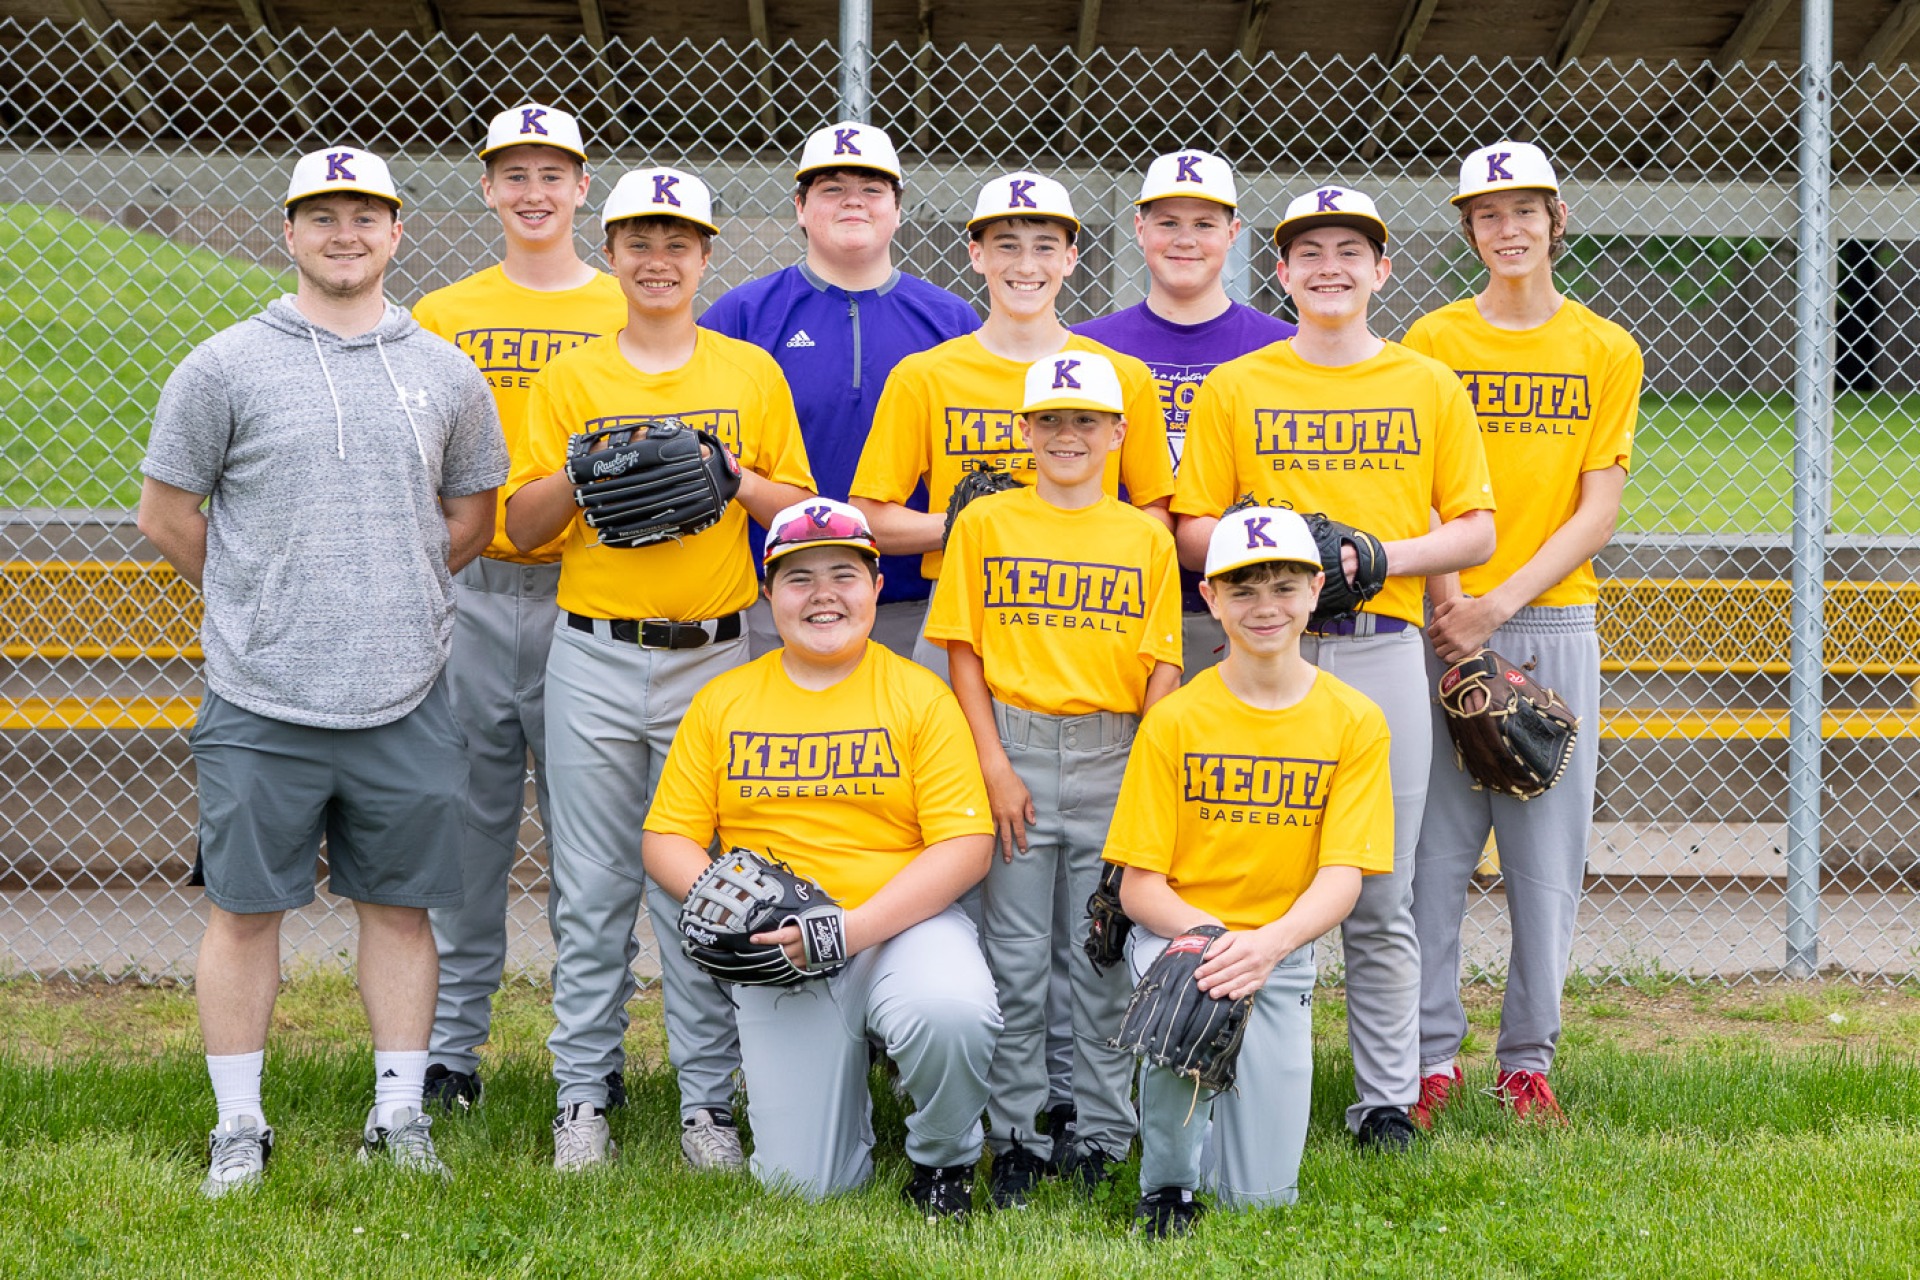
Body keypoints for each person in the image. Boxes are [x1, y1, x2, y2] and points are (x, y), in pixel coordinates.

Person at [137, 147, 507, 1196]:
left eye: (365, 216)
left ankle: (398, 1111)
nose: (345, 234)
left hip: (407, 690)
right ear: (287, 233)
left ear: (398, 233)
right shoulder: (222, 365)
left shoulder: (444, 370)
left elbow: (470, 517)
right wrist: (260, 592)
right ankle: (239, 1124)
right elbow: (167, 515)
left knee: (400, 908)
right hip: (263, 696)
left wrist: (387, 590)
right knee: (246, 909)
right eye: (322, 216)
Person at [503, 166, 815, 1171]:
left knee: (703, 889)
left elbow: (801, 514)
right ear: (612, 251)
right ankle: (583, 1096)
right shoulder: (574, 378)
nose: (658, 255)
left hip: (717, 658)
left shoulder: (748, 372)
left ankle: (705, 1102)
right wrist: (580, 473)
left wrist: (733, 476)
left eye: (677, 239)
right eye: (639, 238)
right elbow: (521, 522)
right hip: (594, 648)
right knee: (591, 892)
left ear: (705, 254)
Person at [1172, 186, 1496, 1151]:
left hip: (1380, 650)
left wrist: (1374, 560)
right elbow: (1190, 526)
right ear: (1278, 271)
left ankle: (1386, 1099)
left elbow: (1476, 529)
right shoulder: (1241, 383)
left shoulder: (1428, 383)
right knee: (1235, 874)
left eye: (1350, 251)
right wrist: (1272, 553)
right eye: (1308, 251)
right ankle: (1218, 1063)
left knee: (1379, 883)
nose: (1329, 266)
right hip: (1259, 649)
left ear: (1382, 270)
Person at [641, 499, 1000, 1219]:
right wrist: (731, 907)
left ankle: (943, 1155)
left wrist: (850, 929)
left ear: (874, 587)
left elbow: (967, 845)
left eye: (845, 573)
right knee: (805, 1188)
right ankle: (844, 1109)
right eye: (799, 579)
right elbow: (667, 837)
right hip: (784, 949)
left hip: (901, 927)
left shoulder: (919, 697)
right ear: (768, 595)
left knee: (952, 1011)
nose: (824, 594)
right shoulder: (724, 700)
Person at [1405, 141, 1641, 1127]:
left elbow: (1597, 511)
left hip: (1551, 615)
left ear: (1555, 220)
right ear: (1469, 229)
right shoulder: (1432, 338)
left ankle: (1527, 1061)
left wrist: (1498, 607)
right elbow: (1425, 482)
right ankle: (1426, 1058)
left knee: (1545, 856)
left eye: (1525, 211)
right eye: (1488, 213)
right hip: (1440, 614)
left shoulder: (1603, 346)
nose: (1508, 228)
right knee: (1433, 855)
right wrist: (1455, 606)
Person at [409, 102, 628, 1113]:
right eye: (515, 173)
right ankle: (451, 1049)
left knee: (594, 843)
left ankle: (597, 1059)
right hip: (473, 586)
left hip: (590, 591)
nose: (535, 191)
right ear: (488, 187)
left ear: (585, 187)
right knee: (469, 832)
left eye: (554, 172)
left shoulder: (628, 302)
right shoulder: (446, 312)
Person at [924, 351, 1181, 1206]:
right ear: (1025, 431)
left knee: (1100, 956)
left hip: (1115, 756)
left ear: (1118, 434)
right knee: (1018, 960)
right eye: (1051, 421)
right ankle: (1019, 1135)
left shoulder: (1144, 535)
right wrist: (993, 763)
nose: (1068, 435)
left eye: (1086, 421)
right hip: (1016, 751)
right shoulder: (988, 525)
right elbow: (962, 649)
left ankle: (1102, 1131)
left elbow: (1161, 674)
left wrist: (1144, 780)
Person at [1105, 507, 1392, 1236]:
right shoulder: (1175, 719)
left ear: (1316, 589)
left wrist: (1266, 946)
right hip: (1186, 940)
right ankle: (1167, 1185)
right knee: (1190, 986)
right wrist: (1215, 942)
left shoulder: (1355, 720)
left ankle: (1226, 1147)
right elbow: (1139, 886)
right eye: (1242, 590)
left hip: (1279, 947)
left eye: (1284, 587)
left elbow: (1342, 878)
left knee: (1260, 1200)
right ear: (1210, 600)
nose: (1265, 607)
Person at [850, 170, 1176, 683]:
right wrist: (966, 523)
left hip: (1090, 599)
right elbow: (868, 517)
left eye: (1045, 247)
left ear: (1070, 258)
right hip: (965, 600)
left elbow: (1156, 511)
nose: (1026, 266)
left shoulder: (1123, 376)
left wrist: (1070, 531)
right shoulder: (924, 375)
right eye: (1006, 245)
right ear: (976, 255)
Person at [699, 120, 978, 658]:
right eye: (832, 189)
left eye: (872, 189)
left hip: (913, 594)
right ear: (801, 208)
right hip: (776, 591)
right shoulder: (745, 314)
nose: (854, 202)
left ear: (897, 209)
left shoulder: (949, 317)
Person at [1077, 149, 1296, 679]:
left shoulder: (1286, 345)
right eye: (1167, 222)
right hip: (1111, 599)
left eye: (1204, 223)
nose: (1184, 239)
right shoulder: (1086, 347)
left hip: (1249, 604)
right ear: (1138, 227)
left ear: (1234, 231)